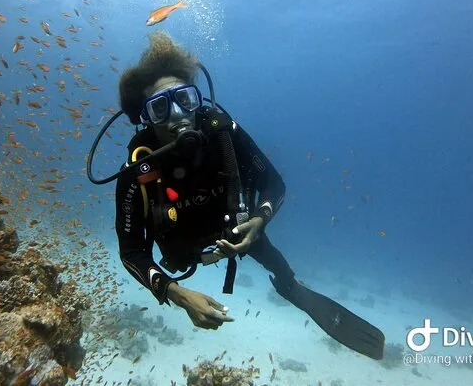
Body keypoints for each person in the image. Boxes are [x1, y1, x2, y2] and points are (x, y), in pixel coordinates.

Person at [99, 31, 384, 360]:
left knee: (272, 257)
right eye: (161, 107)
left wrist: (260, 219)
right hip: (181, 252)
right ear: (146, 118)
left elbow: (274, 183)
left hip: (236, 230)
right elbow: (131, 252)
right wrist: (177, 294)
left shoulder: (223, 134)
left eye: (186, 99)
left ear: (198, 100)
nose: (178, 114)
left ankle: (290, 286)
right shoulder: (138, 171)